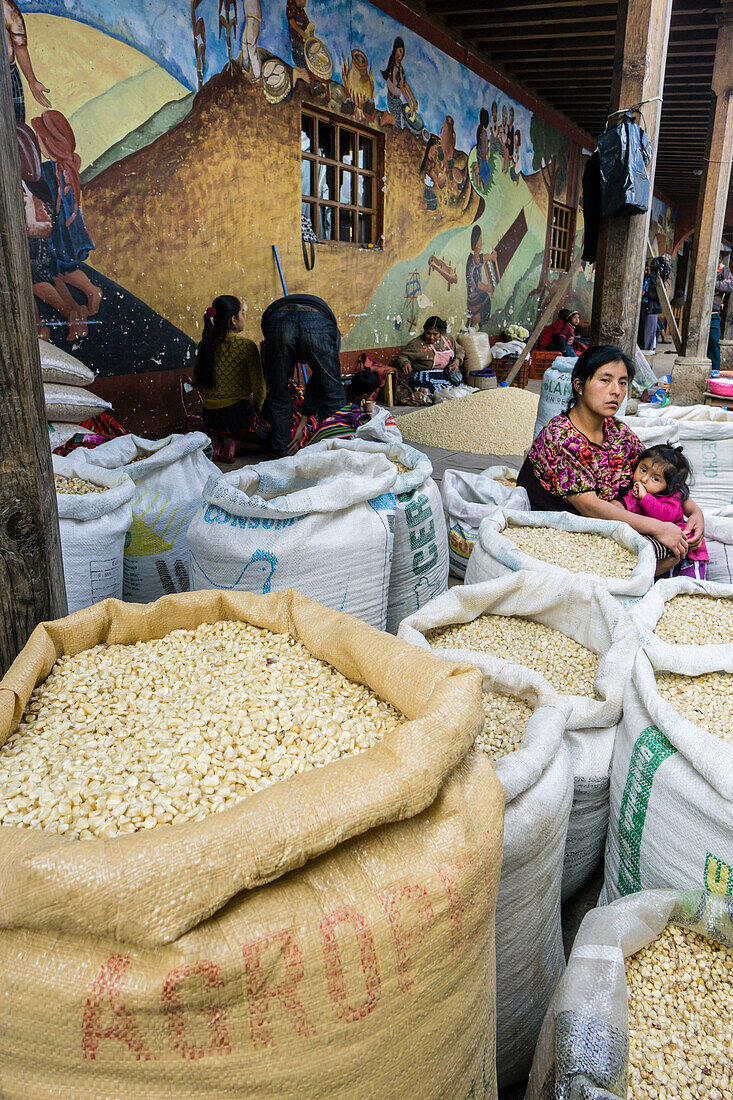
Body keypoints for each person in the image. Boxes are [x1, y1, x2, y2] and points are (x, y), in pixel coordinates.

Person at [517, 345, 705, 576]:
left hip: (610, 523)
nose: (616, 390)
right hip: (565, 530)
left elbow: (659, 471)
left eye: (623, 382)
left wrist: (695, 512)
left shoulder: (617, 431)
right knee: (666, 546)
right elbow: (590, 506)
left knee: (676, 540)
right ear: (579, 386)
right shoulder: (561, 437)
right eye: (605, 380)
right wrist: (658, 528)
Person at [261, 293, 346, 457]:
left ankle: (281, 457)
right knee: (334, 394)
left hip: (276, 319)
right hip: (317, 318)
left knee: (277, 394)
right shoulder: (329, 332)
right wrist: (305, 417)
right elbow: (324, 382)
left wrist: (303, 420)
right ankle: (338, 452)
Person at [194, 295, 269, 463]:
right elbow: (259, 388)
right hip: (239, 417)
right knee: (272, 438)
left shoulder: (205, 344)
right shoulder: (246, 346)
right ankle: (238, 443)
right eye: (242, 313)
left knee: (223, 426)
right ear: (234, 320)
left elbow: (198, 383)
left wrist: (217, 397)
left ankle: (220, 440)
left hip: (211, 417)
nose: (244, 317)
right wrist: (256, 407)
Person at [623, 445, 708, 580]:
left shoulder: (673, 497)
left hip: (686, 553)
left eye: (655, 479)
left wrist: (645, 498)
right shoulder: (635, 492)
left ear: (670, 485)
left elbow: (664, 516)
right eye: (643, 470)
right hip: (662, 554)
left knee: (692, 585)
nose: (644, 479)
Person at [394, 316, 465, 398]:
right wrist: (405, 363)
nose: (431, 337)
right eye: (428, 333)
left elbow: (460, 350)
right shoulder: (416, 344)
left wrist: (457, 360)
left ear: (441, 333)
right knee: (433, 395)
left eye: (435, 334)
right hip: (425, 378)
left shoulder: (448, 339)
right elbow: (403, 356)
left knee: (454, 394)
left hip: (447, 376)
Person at [4, 0, 50, 122]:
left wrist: (32, 81)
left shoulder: (7, 8)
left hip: (7, 79)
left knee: (14, 128)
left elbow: (20, 46)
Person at [708, 247, 733, 372]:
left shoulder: (724, 270)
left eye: (718, 257)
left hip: (713, 313)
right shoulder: (705, 267)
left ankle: (715, 372)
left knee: (713, 343)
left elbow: (729, 286)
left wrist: (712, 283)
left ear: (720, 259)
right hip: (700, 314)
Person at [466, 224, 493, 326]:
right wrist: (487, 288)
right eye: (480, 239)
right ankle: (477, 320)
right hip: (473, 297)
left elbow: (482, 258)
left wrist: (491, 256)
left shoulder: (473, 258)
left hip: (472, 295)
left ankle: (478, 321)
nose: (481, 243)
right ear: (476, 242)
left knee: (485, 297)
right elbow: (476, 283)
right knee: (486, 299)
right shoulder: (473, 260)